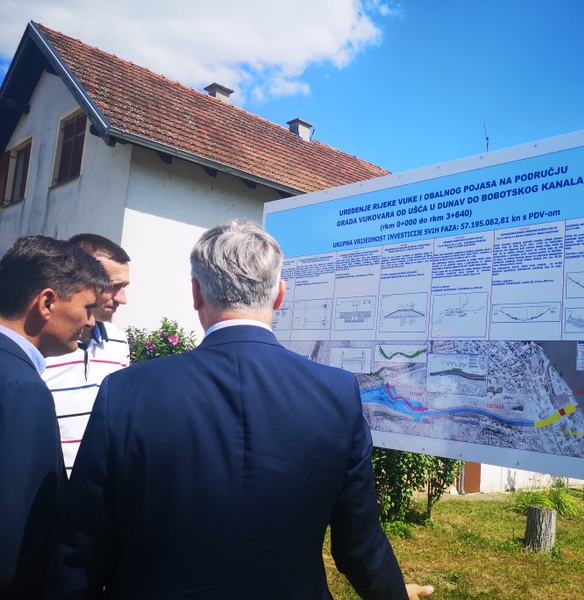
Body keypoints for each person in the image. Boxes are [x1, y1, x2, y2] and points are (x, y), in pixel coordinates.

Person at [55, 220, 432, 599]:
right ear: (279, 295)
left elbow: (84, 547)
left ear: (196, 293)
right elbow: (359, 545)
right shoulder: (337, 393)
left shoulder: (125, 391)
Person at [0, 235, 108, 598]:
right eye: (87, 307)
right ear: (46, 302)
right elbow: (14, 546)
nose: (91, 322)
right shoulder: (22, 389)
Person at [42, 234, 131, 476]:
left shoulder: (119, 342)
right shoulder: (40, 343)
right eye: (112, 286)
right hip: (44, 487)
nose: (122, 299)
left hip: (97, 487)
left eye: (124, 287)